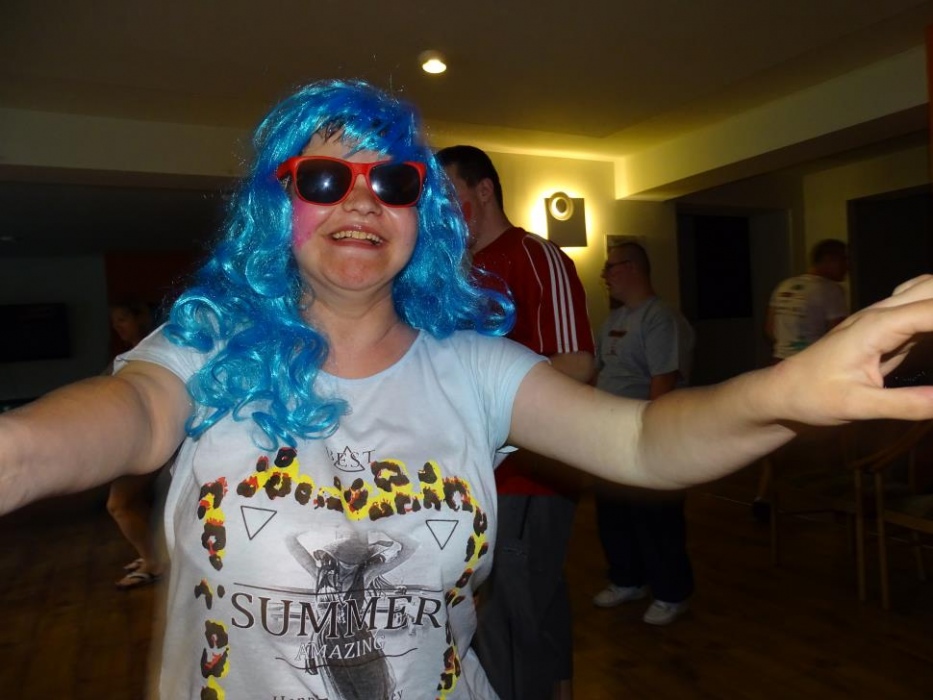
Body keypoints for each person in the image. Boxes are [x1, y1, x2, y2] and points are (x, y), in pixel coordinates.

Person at [2, 80, 933, 700]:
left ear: (423, 215)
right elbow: (128, 415)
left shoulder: (474, 368)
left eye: (393, 181)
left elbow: (643, 442)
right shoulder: (207, 350)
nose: (361, 199)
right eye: (323, 177)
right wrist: (19, 451)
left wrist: (783, 393)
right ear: (277, 208)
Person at [436, 145, 594, 700]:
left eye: (450, 193)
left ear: (484, 191)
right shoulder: (458, 273)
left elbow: (577, 364)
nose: (440, 208)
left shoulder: (534, 255)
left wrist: (484, 405)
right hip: (483, 475)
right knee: (535, 604)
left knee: (508, 615)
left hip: (530, 476)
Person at [591, 241, 695, 625]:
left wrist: (649, 440)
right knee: (614, 513)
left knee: (656, 519)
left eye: (611, 267)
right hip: (610, 435)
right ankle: (628, 579)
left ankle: (671, 593)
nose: (605, 275)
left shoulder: (660, 318)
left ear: (633, 267)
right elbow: (599, 372)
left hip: (647, 435)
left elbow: (662, 382)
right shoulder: (613, 321)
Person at [753, 239, 850, 520]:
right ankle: (840, 497)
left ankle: (763, 497)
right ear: (829, 260)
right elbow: (839, 337)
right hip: (812, 372)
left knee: (777, 435)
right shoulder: (831, 290)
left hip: (779, 369)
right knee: (835, 432)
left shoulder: (784, 286)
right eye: (844, 261)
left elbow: (770, 330)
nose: (847, 268)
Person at [105, 301, 167, 588]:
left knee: (119, 505)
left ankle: (154, 563)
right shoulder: (129, 354)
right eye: (114, 321)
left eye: (122, 318)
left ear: (140, 317)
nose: (117, 327)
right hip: (135, 443)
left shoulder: (156, 350)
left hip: (153, 442)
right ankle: (151, 557)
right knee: (132, 504)